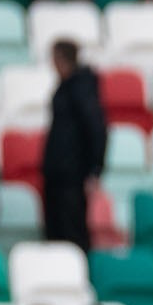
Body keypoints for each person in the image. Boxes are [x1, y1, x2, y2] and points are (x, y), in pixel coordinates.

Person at [43, 39, 107, 250]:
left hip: (72, 174)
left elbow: (96, 129)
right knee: (56, 231)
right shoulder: (67, 86)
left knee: (72, 231)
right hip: (58, 172)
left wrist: (95, 169)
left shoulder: (82, 89)